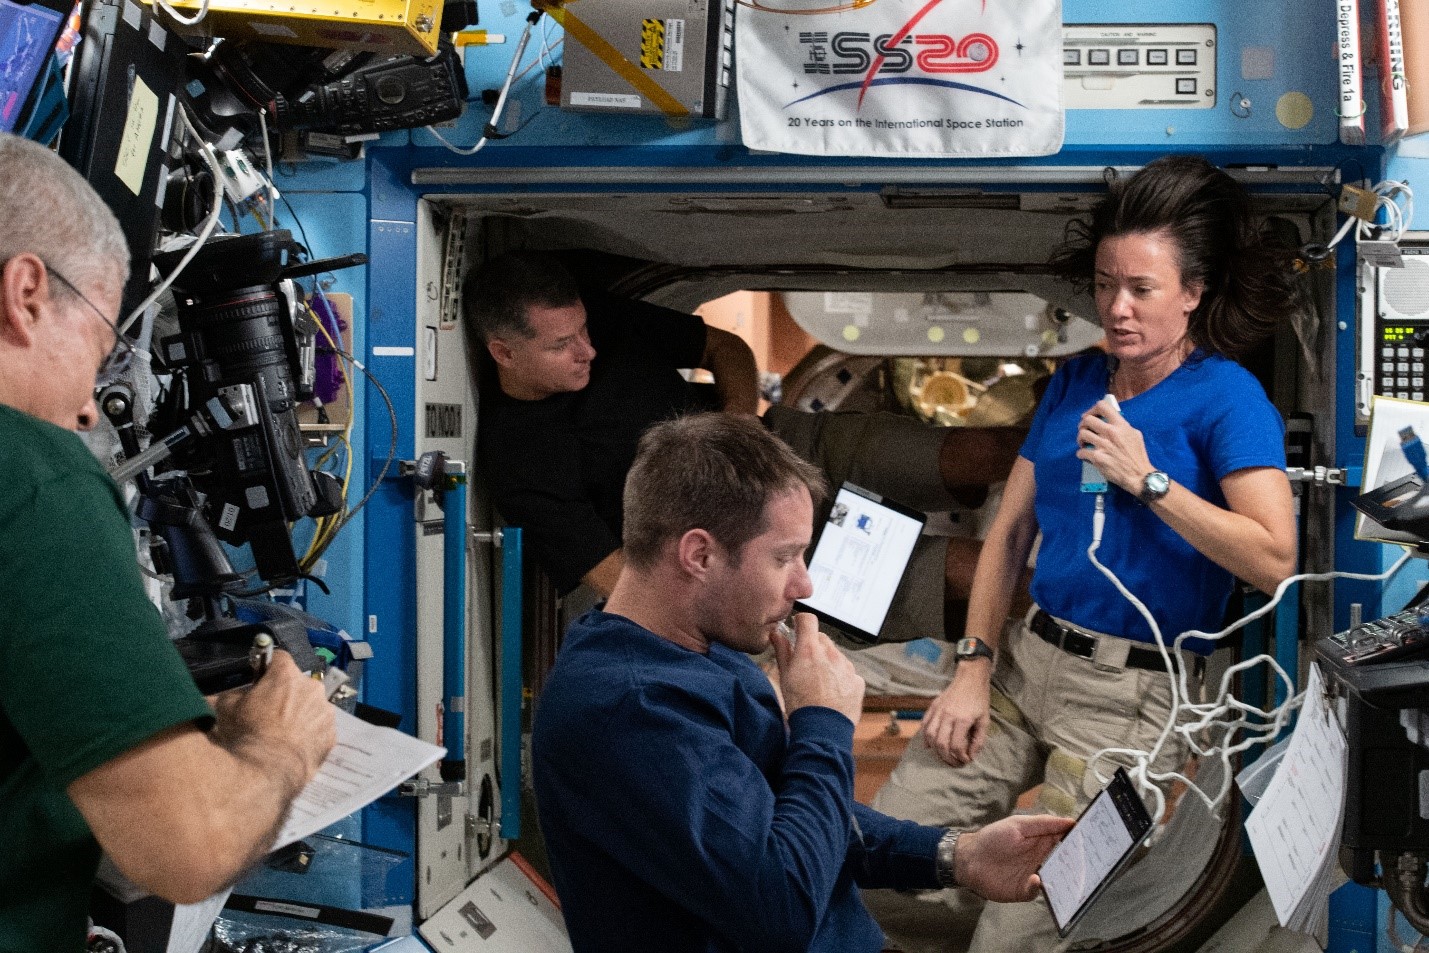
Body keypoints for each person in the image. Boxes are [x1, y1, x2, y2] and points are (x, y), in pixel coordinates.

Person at [866, 154, 1300, 952]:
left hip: (1130, 703)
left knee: (1021, 934)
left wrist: (1148, 480)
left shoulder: (1228, 398)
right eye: (1105, 285)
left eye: (1142, 289)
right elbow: (1007, 535)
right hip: (1025, 661)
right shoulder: (1074, 383)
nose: (1117, 308)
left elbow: (1272, 558)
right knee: (879, 851)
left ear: (1193, 293)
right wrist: (971, 665)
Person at [531, 412, 1074, 953]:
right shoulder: (627, 706)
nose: (805, 583)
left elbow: (793, 817)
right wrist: (823, 723)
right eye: (784, 557)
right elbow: (783, 905)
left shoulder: (706, 654)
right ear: (699, 555)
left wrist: (957, 854)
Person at [0, 132, 337, 952]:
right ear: (28, 293)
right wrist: (281, 741)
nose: (90, 407)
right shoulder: (32, 475)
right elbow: (189, 848)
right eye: (103, 343)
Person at [465, 252, 1025, 645]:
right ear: (504, 353)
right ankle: (1093, 616)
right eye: (564, 345)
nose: (587, 349)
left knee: (988, 450)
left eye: (584, 331)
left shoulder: (602, 326)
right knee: (968, 570)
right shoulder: (520, 458)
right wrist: (731, 604)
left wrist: (739, 430)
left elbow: (725, 349)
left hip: (786, 451)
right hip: (746, 554)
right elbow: (618, 578)